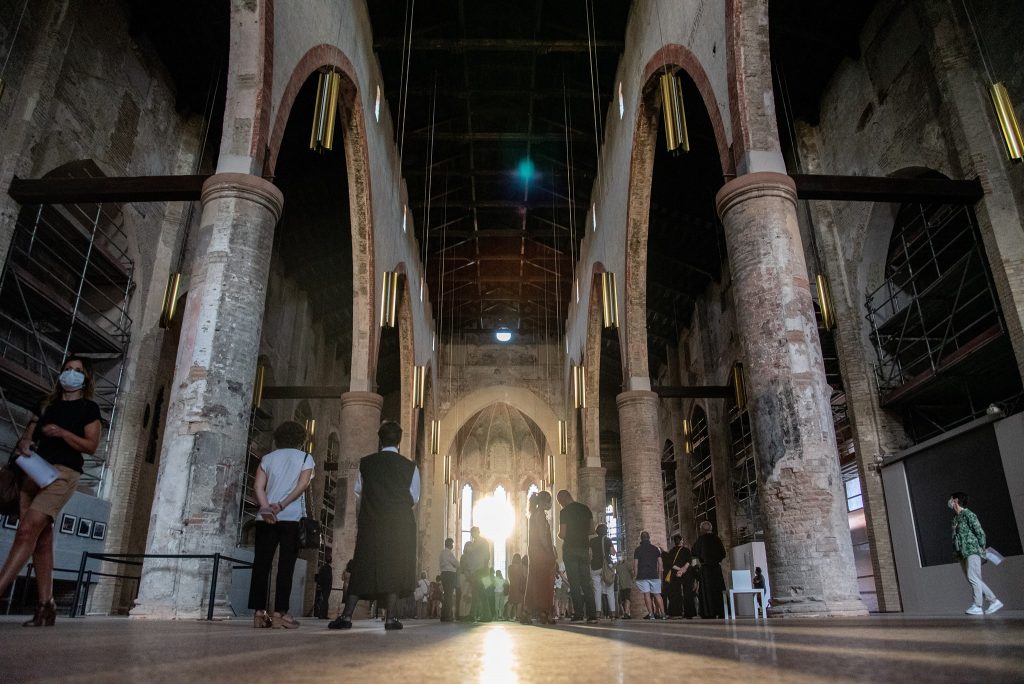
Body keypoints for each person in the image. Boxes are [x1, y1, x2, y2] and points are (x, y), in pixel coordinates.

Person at [0, 356, 101, 627]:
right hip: (33, 471)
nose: (71, 374)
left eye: (77, 371)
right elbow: (28, 435)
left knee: (26, 531)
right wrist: (24, 443)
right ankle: (46, 606)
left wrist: (63, 434)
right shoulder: (46, 404)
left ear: (86, 378)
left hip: (63, 474)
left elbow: (91, 446)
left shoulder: (88, 409)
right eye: (67, 369)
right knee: (41, 540)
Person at [328, 420, 419, 631]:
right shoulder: (410, 467)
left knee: (362, 565)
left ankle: (346, 616)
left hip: (372, 521)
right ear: (399, 440)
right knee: (394, 568)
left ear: (379, 439)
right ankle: (390, 619)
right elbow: (414, 498)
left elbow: (358, 493)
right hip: (399, 525)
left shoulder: (366, 463)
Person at [247, 420, 314, 629]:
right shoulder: (305, 457)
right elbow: (303, 485)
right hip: (291, 518)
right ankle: (280, 613)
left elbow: (258, 486)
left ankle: (259, 613)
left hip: (265, 518)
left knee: (261, 564)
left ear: (278, 438)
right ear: (301, 440)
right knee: (286, 566)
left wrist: (267, 508)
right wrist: (281, 505)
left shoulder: (268, 458)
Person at [949, 492, 1003, 615]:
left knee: (973, 577)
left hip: (972, 550)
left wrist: (982, 547)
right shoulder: (955, 517)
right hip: (961, 552)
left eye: (951, 499)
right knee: (972, 578)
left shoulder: (969, 514)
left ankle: (978, 606)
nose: (950, 501)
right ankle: (993, 601)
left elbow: (979, 531)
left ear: (956, 500)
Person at [556, 490, 597, 623]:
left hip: (570, 549)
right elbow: (592, 530)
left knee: (574, 583)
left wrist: (560, 535)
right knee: (587, 583)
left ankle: (578, 614)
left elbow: (562, 534)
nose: (560, 505)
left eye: (559, 502)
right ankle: (592, 615)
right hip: (584, 549)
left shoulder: (565, 512)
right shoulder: (585, 509)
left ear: (562, 499)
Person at [524, 491, 557, 624]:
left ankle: (529, 612)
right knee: (544, 582)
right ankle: (543, 612)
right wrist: (550, 552)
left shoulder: (534, 515)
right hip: (541, 553)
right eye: (549, 501)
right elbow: (542, 537)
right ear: (543, 502)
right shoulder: (540, 516)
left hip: (534, 552)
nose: (550, 504)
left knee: (534, 581)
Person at [693, 520, 727, 619]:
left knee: (707, 591)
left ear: (702, 530)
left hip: (706, 569)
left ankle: (708, 613)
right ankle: (720, 611)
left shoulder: (701, 539)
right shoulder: (717, 539)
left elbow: (694, 551)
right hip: (716, 568)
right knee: (718, 590)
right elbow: (723, 554)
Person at [633, 530, 665, 619]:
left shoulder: (637, 550)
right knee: (657, 594)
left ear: (641, 538)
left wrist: (635, 575)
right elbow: (660, 563)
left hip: (642, 575)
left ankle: (651, 614)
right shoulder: (655, 549)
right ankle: (663, 614)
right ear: (649, 538)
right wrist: (659, 575)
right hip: (654, 574)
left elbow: (635, 564)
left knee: (646, 594)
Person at [462, 526, 492, 621]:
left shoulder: (483, 542)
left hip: (481, 570)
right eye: (471, 532)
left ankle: (482, 615)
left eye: (473, 532)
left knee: (480, 592)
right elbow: (472, 557)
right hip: (476, 571)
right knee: (477, 593)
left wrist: (484, 568)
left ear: (478, 532)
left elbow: (487, 555)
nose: (472, 534)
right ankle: (477, 615)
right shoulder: (474, 543)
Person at [663, 534, 694, 618]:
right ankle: (689, 613)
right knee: (687, 591)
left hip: (675, 574)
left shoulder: (671, 551)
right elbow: (689, 561)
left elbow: (669, 564)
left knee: (676, 593)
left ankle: (677, 612)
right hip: (686, 573)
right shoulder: (686, 550)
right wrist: (683, 569)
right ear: (681, 541)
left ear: (674, 542)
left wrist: (678, 569)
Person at [589, 523, 616, 619]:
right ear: (606, 531)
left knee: (597, 590)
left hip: (595, 567)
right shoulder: (608, 540)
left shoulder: (592, 540)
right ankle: (612, 613)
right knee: (610, 591)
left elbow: (590, 555)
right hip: (606, 567)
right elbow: (613, 553)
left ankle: (598, 613)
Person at [439, 537, 459, 621]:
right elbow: (456, 563)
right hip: (450, 574)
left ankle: (444, 615)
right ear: (449, 544)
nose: (453, 545)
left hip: (444, 574)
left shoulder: (442, 553)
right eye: (452, 544)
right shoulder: (448, 553)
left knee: (446, 595)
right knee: (449, 596)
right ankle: (448, 616)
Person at [505, 553, 526, 620]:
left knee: (510, 601)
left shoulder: (510, 567)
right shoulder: (521, 567)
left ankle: (508, 616)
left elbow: (509, 576)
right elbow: (524, 576)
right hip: (519, 586)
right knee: (519, 602)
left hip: (512, 586)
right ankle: (517, 616)